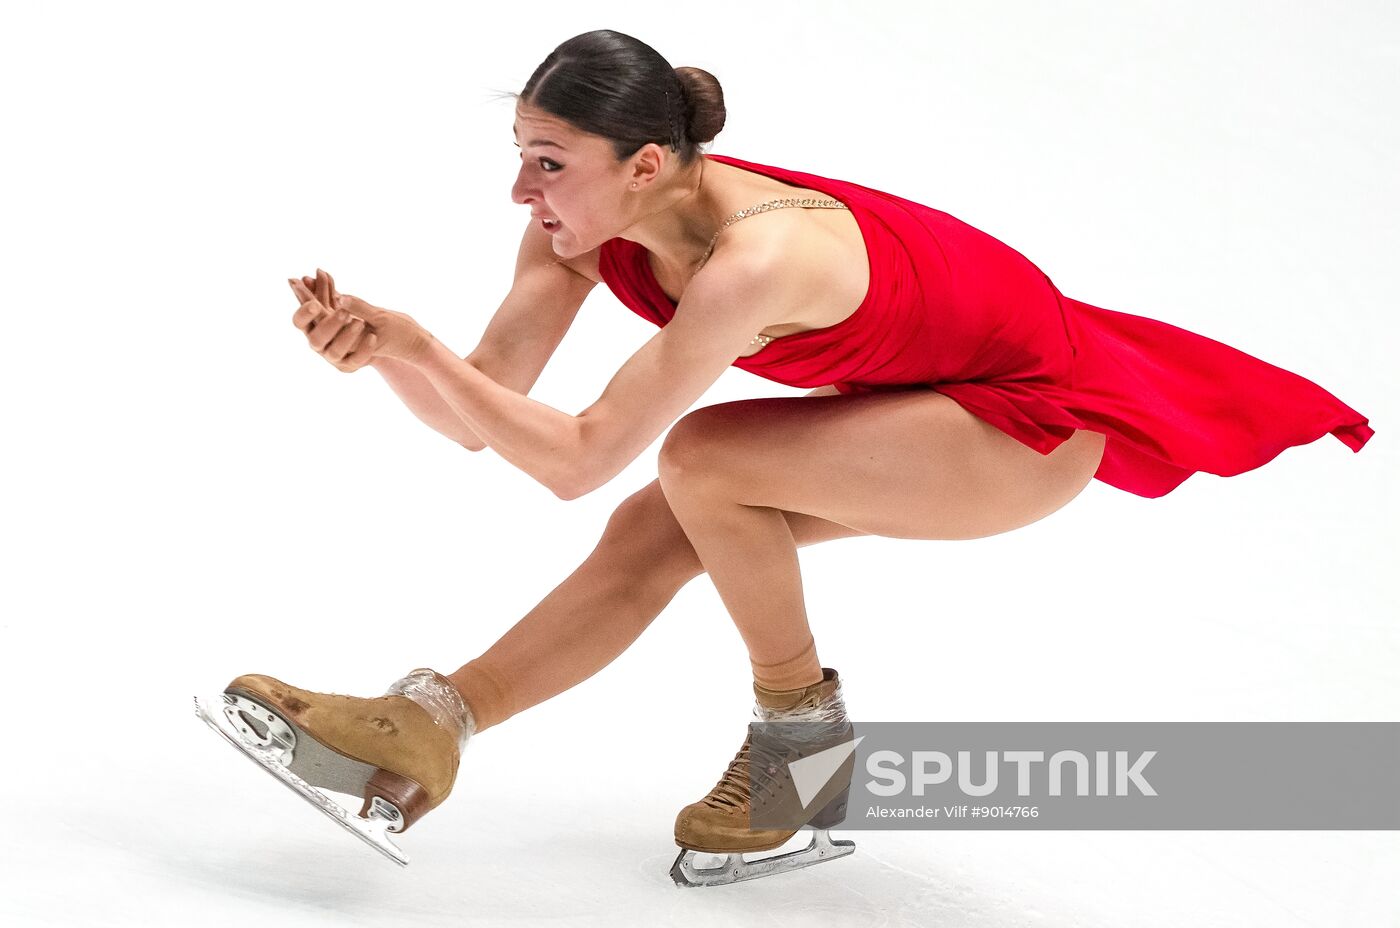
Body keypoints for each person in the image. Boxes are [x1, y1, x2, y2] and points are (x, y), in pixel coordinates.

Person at [197, 29, 1374, 886]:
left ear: (647, 164)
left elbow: (576, 459)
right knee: (659, 526)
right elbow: (480, 416)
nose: (521, 186)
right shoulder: (577, 226)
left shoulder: (757, 261)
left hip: (1023, 426)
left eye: (548, 159)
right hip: (924, 401)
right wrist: (388, 357)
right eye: (520, 151)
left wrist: (416, 345)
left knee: (704, 462)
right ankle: (434, 724)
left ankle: (800, 748)